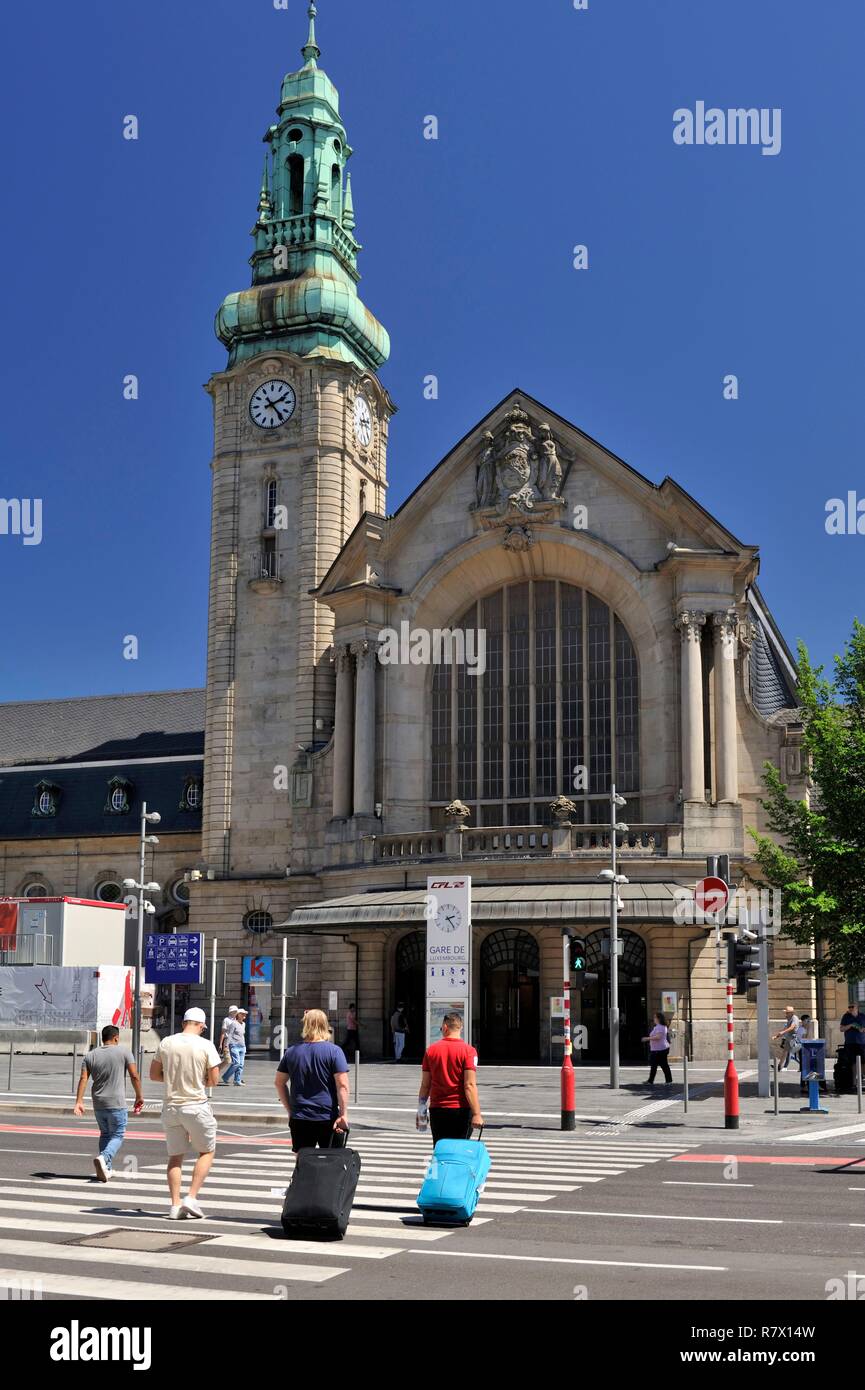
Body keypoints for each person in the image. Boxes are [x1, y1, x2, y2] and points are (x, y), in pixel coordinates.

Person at [149, 1006, 221, 1220]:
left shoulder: (166, 1042)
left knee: (175, 1157)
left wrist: (173, 1079)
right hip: (196, 1105)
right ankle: (191, 1197)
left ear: (184, 1023)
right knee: (207, 1151)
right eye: (202, 1028)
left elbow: (154, 1075)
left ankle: (174, 1205)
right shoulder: (206, 1045)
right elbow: (214, 1080)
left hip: (171, 1107)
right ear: (200, 1025)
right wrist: (198, 1081)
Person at [73, 1024, 144, 1181]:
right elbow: (134, 1076)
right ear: (116, 1038)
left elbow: (83, 1078)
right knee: (118, 1134)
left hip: (98, 1103)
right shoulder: (124, 1052)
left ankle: (107, 1169)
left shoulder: (90, 1055)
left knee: (105, 1134)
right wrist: (139, 1096)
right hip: (116, 1102)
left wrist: (79, 1101)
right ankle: (104, 1158)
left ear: (102, 1038)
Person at [274, 1009, 350, 1151]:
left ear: (305, 1025)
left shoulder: (292, 1051)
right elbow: (343, 1085)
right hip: (328, 1117)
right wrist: (343, 1114)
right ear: (325, 1025)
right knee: (330, 1163)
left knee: (303, 1163)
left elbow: (279, 1083)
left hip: (300, 1117)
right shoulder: (334, 1051)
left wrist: (290, 1110)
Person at [417, 1013, 483, 1143]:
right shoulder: (469, 1051)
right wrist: (476, 1114)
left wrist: (421, 1112)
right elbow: (469, 1085)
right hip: (461, 1110)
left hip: (437, 1110)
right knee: (459, 1151)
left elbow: (425, 1085)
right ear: (461, 1028)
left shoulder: (431, 1051)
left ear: (445, 1027)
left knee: (440, 1149)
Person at [642, 1012, 673, 1086]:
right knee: (655, 1065)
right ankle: (651, 1081)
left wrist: (647, 1038)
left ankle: (668, 1081)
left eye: (655, 1017)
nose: (654, 1019)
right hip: (657, 1049)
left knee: (663, 1065)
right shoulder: (658, 1026)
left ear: (659, 1019)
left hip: (660, 1050)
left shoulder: (661, 1027)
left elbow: (658, 1037)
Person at [220, 1006, 248, 1086]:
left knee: (241, 1065)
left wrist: (244, 1046)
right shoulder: (233, 1024)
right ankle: (225, 1077)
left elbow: (242, 1036)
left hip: (242, 1046)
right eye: (242, 1014)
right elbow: (230, 1035)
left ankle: (237, 1080)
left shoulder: (244, 1024)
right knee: (236, 1063)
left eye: (244, 1014)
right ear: (238, 1015)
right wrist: (226, 1045)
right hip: (234, 1045)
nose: (244, 1015)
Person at [773, 1005, 801, 1071]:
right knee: (785, 1052)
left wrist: (783, 1032)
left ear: (791, 1013)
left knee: (794, 1055)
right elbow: (786, 1028)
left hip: (793, 1039)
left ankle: (802, 1066)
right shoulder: (789, 1019)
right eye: (786, 1012)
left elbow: (792, 1027)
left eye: (787, 1012)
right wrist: (777, 1036)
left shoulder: (794, 1018)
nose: (786, 1014)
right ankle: (779, 1066)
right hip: (789, 1038)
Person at [840, 1000, 865, 1066]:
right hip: (849, 1043)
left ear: (857, 1007)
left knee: (863, 1061)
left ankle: (862, 1075)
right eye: (849, 1007)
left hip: (861, 1043)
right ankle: (854, 1076)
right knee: (851, 1062)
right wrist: (850, 1025)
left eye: (852, 1007)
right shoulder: (846, 1016)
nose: (850, 1008)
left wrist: (862, 1029)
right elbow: (841, 1029)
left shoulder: (862, 1016)